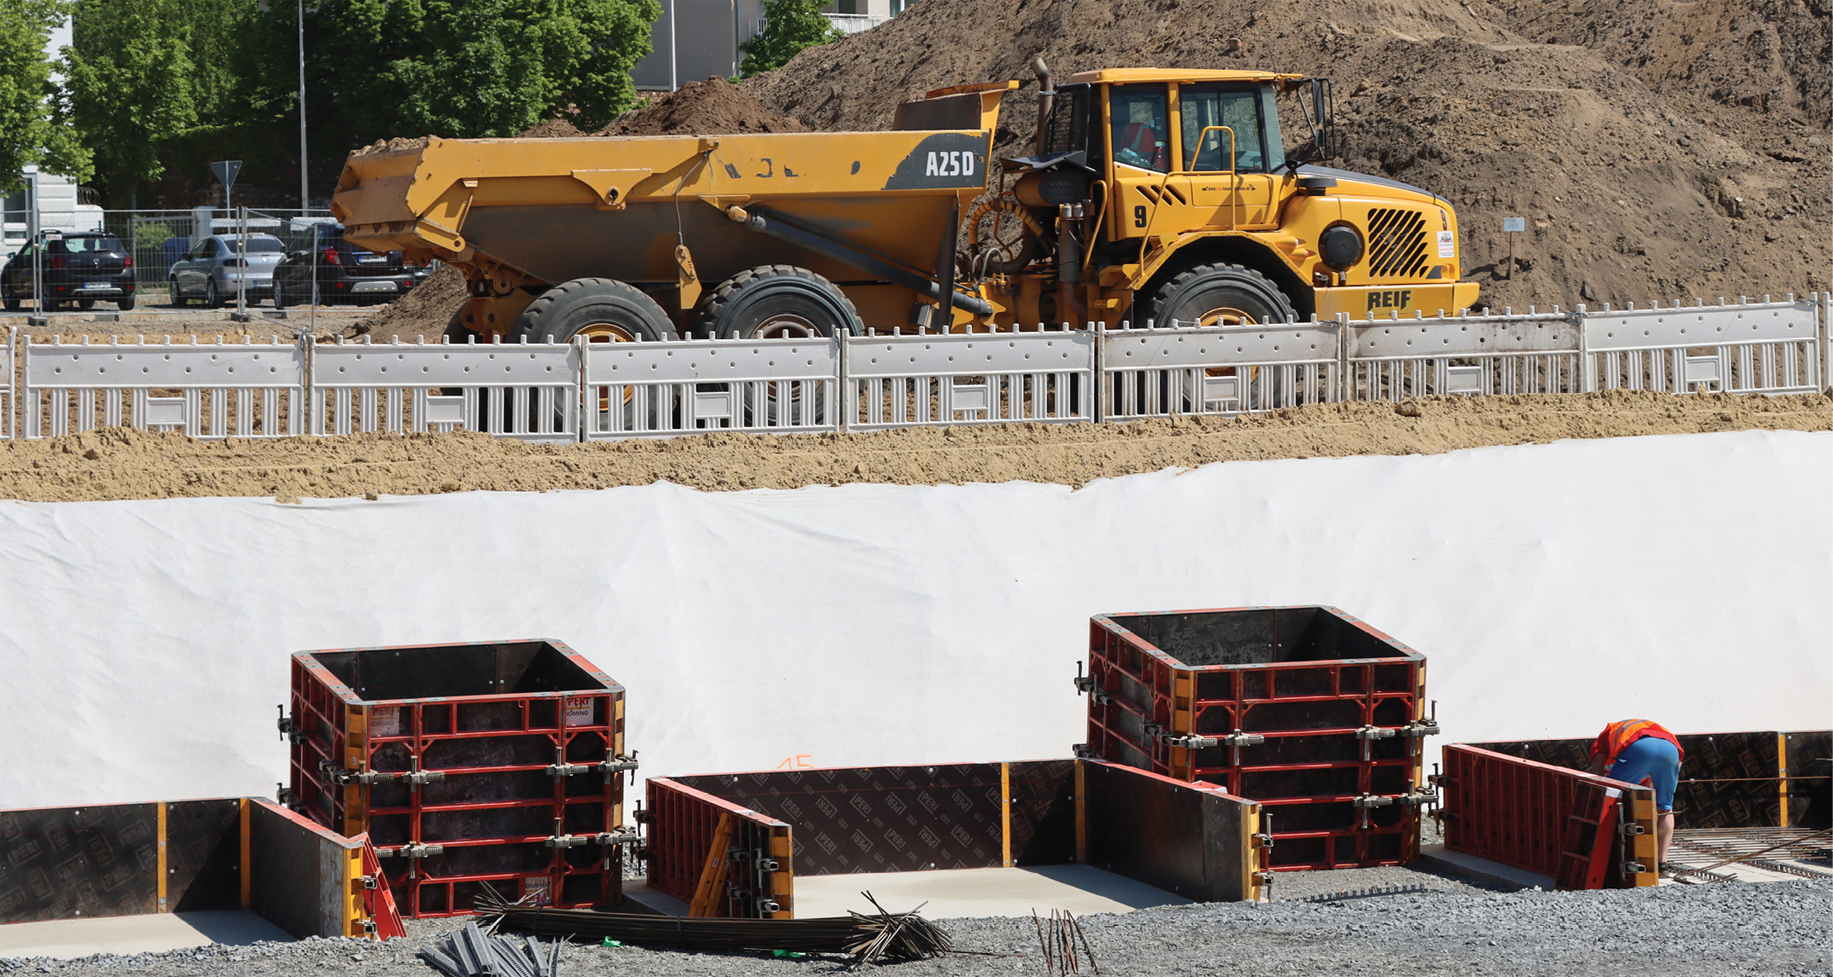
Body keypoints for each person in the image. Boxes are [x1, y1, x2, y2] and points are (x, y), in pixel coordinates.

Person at [1587, 719, 1684, 873]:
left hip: (1638, 746)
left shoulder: (1602, 740)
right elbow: (1650, 788)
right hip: (1671, 749)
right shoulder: (1632, 728)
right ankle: (1662, 863)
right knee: (1665, 807)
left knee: (1613, 801)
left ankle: (1610, 855)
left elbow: (1595, 774)